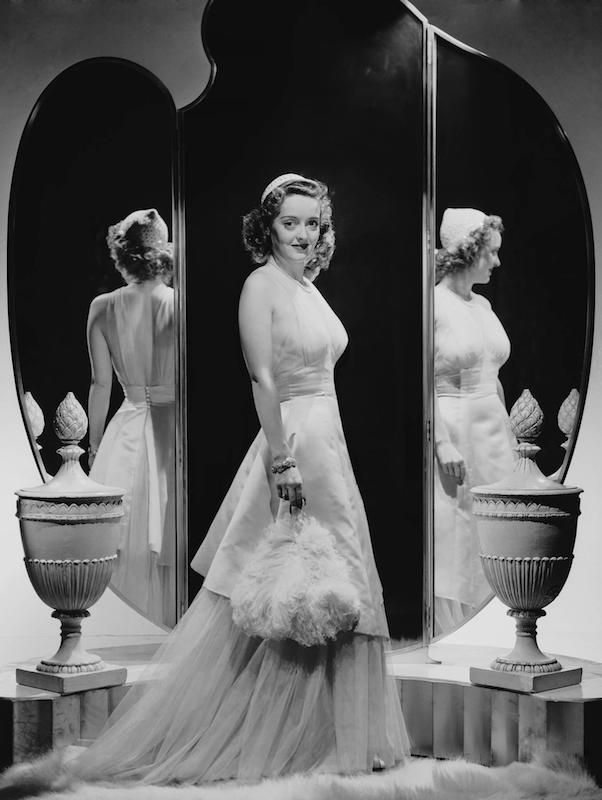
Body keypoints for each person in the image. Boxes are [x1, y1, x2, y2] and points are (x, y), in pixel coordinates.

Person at [34, 173, 408, 788]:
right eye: (290, 222)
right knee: (288, 583)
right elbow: (261, 378)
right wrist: (282, 459)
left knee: (329, 580)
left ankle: (328, 734)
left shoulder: (303, 285)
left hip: (325, 437)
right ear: (268, 226)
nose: (303, 233)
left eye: (313, 222)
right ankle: (277, 736)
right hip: (296, 439)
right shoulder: (261, 285)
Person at [87, 209, 176, 628]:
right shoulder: (178, 304)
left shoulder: (102, 308)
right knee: (165, 530)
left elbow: (99, 384)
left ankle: (126, 628)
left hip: (125, 427)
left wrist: (93, 447)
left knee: (122, 540)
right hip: (172, 429)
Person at [434, 208, 515, 635]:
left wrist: (512, 436)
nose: (497, 263)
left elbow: (494, 375)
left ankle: (500, 621)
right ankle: (455, 627)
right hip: (454, 425)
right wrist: (442, 442)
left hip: (492, 429)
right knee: (457, 527)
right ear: (470, 250)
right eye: (492, 253)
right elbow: (421, 383)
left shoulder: (481, 304)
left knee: (497, 526)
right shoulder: (434, 304)